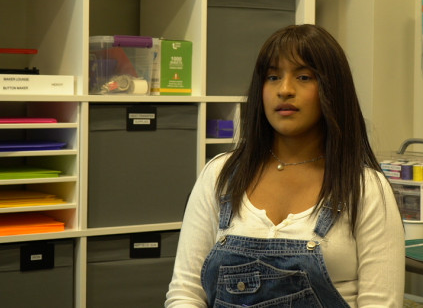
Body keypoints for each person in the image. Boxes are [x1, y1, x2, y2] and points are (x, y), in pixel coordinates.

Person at [165, 24, 405, 307]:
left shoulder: (365, 189)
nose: (285, 90)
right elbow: (186, 292)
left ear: (331, 89)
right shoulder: (221, 175)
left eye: (303, 77)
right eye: (273, 77)